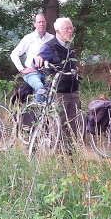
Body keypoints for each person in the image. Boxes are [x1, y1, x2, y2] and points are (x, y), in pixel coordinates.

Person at [33, 17, 82, 148]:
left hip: (73, 90)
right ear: (58, 31)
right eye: (67, 28)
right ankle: (59, 154)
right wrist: (38, 58)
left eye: (71, 28)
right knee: (59, 125)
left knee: (74, 124)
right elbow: (39, 58)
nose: (70, 31)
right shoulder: (50, 46)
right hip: (58, 92)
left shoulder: (69, 47)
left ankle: (72, 153)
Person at [10, 13, 54, 102]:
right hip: (32, 72)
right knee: (40, 87)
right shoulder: (29, 38)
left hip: (47, 72)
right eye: (39, 22)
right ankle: (39, 113)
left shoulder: (51, 38)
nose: (41, 24)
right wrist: (21, 69)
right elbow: (14, 54)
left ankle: (49, 113)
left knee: (54, 91)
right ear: (34, 24)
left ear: (46, 23)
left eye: (43, 21)